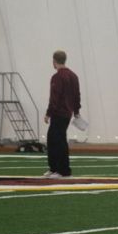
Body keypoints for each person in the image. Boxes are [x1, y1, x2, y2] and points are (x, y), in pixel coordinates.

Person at [44, 50, 82, 178]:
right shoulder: (73, 76)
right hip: (68, 113)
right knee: (57, 140)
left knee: (56, 141)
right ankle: (56, 168)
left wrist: (48, 113)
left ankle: (62, 170)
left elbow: (55, 97)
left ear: (54, 61)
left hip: (58, 112)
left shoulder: (57, 77)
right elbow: (77, 96)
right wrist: (76, 111)